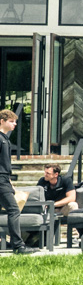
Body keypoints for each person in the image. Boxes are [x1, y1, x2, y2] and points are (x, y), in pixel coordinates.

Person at [0, 109, 21, 254]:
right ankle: (19, 246)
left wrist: (9, 181)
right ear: (2, 121)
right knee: (14, 210)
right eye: (11, 121)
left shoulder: (5, 139)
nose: (14, 124)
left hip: (4, 179)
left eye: (15, 122)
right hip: (0, 180)